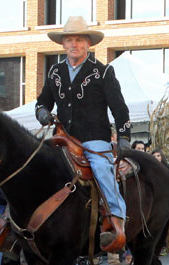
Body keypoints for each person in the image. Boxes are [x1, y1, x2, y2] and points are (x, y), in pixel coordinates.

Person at [35, 17, 130, 252]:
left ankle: (116, 220)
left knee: (100, 167)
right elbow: (41, 103)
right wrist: (43, 113)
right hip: (63, 137)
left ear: (88, 44)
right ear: (63, 44)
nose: (73, 44)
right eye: (69, 40)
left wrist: (124, 136)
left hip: (94, 137)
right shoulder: (55, 72)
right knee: (36, 165)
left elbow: (120, 108)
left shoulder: (103, 71)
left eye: (78, 40)